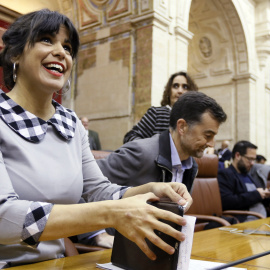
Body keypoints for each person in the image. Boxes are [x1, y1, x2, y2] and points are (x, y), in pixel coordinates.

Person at [0, 9, 192, 268]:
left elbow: (99, 191)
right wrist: (112, 215)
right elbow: (4, 217)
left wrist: (149, 190)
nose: (61, 53)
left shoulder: (71, 123)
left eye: (67, 47)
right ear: (14, 53)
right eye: (46, 39)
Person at [98, 92, 227, 192]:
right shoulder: (141, 153)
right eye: (208, 135)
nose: (212, 144)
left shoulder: (192, 166)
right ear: (182, 127)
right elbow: (85, 181)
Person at [123, 71, 198, 143]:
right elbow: (130, 137)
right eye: (175, 86)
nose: (180, 91)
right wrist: (153, 149)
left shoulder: (196, 121)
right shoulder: (156, 114)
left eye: (185, 87)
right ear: (169, 91)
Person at [218, 141, 270, 223]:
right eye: (249, 159)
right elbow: (226, 202)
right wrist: (256, 194)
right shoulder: (225, 174)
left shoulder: (248, 175)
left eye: (254, 160)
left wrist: (265, 195)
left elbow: (257, 199)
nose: (252, 163)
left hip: (262, 219)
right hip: (246, 221)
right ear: (237, 155)